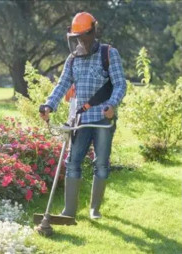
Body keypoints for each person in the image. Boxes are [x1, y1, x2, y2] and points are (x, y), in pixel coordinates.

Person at [40, 12, 126, 219]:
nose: (80, 41)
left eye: (84, 36)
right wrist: (49, 105)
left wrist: (112, 105)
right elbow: (62, 85)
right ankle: (69, 212)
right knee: (73, 161)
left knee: (102, 163)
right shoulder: (72, 59)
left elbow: (120, 84)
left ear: (93, 32)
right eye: (76, 37)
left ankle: (94, 209)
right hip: (81, 120)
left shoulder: (108, 53)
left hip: (103, 118)